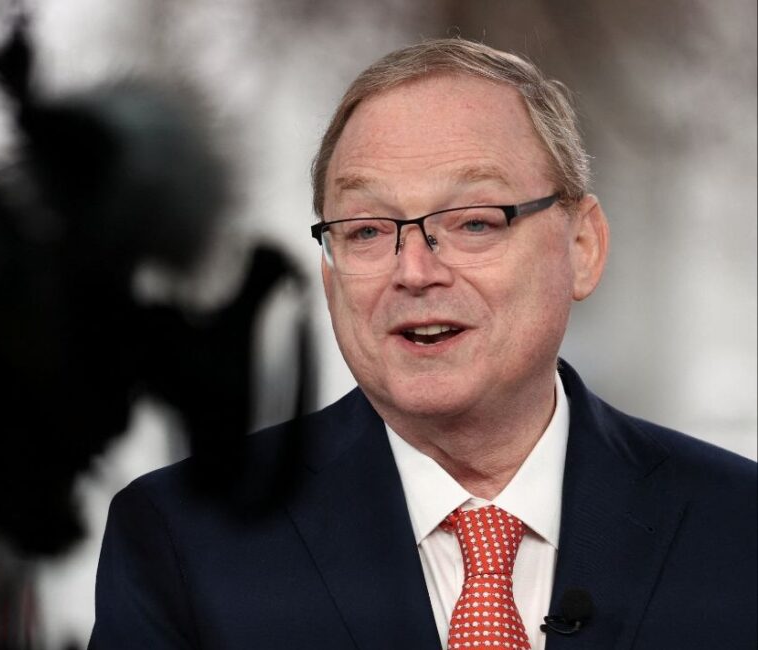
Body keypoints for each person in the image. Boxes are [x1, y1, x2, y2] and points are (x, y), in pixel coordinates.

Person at [88, 38, 757, 650]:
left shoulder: (737, 530)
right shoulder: (180, 545)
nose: (414, 270)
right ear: (329, 274)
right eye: (368, 232)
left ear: (582, 248)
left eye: (472, 221)